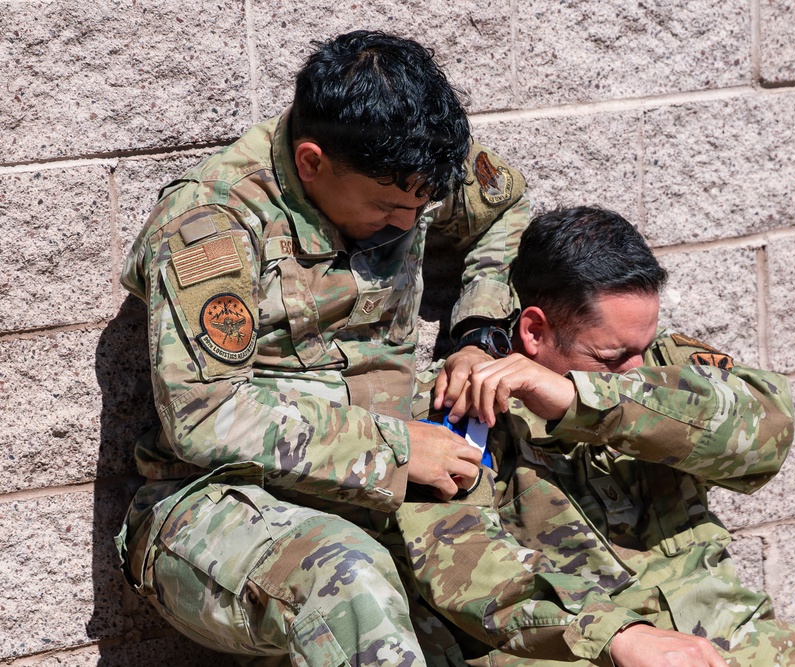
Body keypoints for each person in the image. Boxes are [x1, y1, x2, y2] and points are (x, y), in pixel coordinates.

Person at [114, 30, 531, 666]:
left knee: (521, 571)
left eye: (419, 209)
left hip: (390, 471)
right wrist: (393, 450)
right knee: (349, 583)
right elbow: (204, 418)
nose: (407, 224)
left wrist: (480, 335)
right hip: (217, 501)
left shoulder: (406, 165)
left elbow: (505, 210)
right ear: (311, 162)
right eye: (389, 210)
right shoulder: (212, 223)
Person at [394, 206, 795, 667]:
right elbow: (465, 571)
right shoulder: (462, 406)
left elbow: (768, 431)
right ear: (535, 331)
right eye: (612, 360)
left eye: (646, 346)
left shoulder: (657, 365)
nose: (635, 372)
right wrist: (619, 636)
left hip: (732, 639)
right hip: (586, 651)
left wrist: (588, 402)